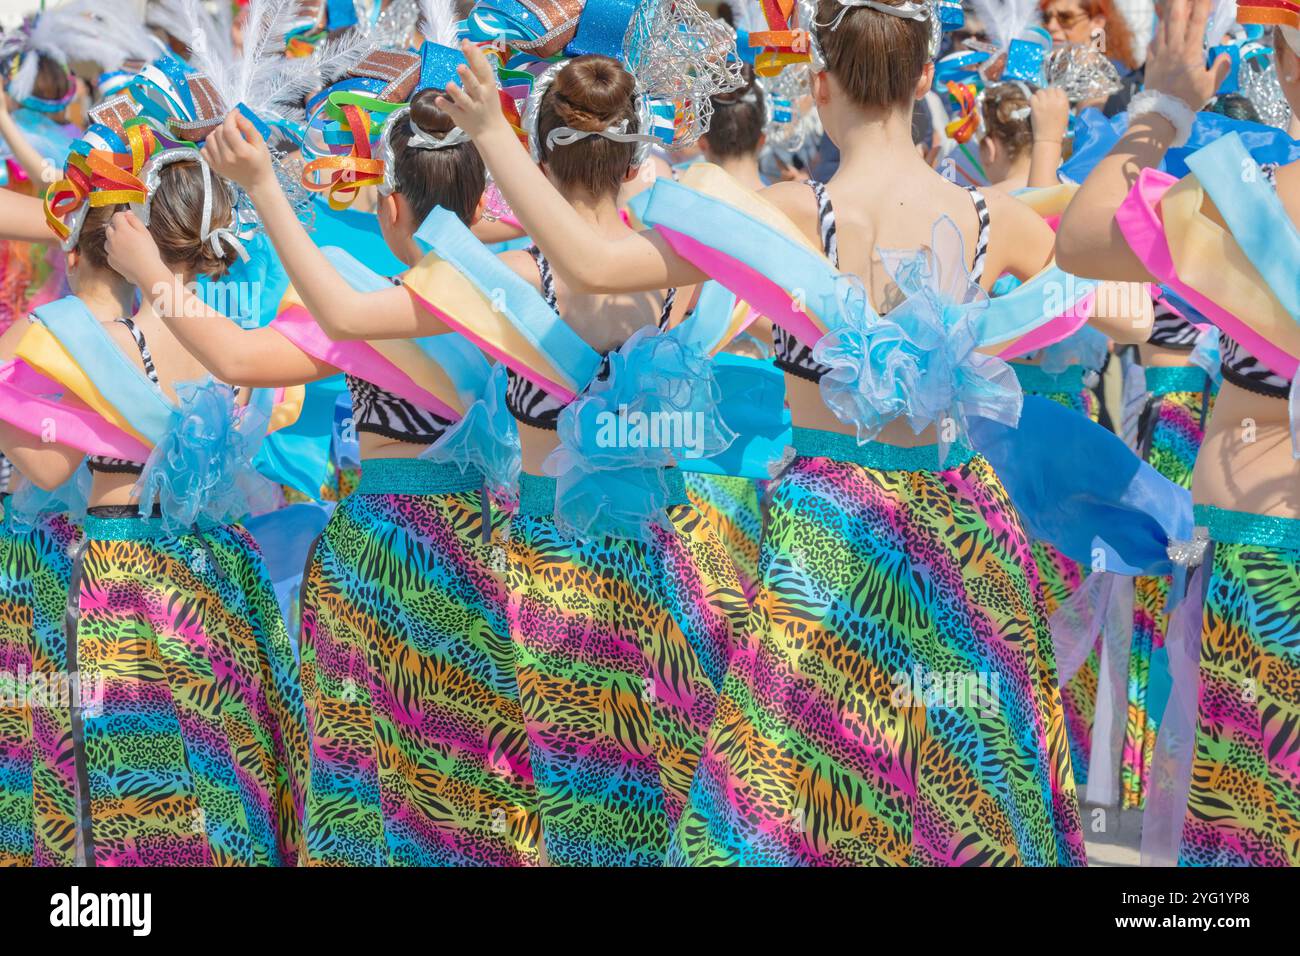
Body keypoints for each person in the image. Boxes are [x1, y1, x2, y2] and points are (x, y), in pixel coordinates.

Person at [430, 0, 1152, 862]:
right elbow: (1135, 317)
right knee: (962, 751)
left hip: (832, 535)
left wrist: (492, 132)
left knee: (807, 778)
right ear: (925, 78)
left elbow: (591, 262)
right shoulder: (992, 218)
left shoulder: (789, 215)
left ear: (821, 84)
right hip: (962, 531)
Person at [0, 131, 307, 866]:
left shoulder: (98, 339)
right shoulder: (233, 343)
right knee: (218, 758)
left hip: (120, 572)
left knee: (129, 777)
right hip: (218, 571)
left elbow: (47, 467)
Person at [1057, 0, 1299, 865]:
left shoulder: (1247, 208)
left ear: (1286, 64)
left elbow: (1084, 237)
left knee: (1246, 840)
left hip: (1260, 566)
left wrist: (1160, 106)